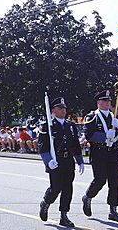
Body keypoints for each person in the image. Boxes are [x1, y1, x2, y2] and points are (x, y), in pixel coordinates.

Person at [82, 90, 118, 222]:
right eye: (105, 101)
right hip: (99, 152)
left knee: (114, 182)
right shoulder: (92, 117)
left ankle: (113, 210)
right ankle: (88, 196)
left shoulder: (115, 117)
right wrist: (104, 136)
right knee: (100, 180)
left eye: (109, 101)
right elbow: (88, 135)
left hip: (113, 153)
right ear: (98, 103)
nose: (108, 103)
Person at [38, 97, 84, 227]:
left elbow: (75, 144)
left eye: (64, 108)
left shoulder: (70, 126)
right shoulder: (47, 126)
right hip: (55, 161)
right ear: (53, 110)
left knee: (68, 188)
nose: (63, 110)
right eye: (60, 108)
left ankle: (64, 215)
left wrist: (79, 160)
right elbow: (42, 147)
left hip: (68, 160)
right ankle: (46, 202)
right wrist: (48, 161)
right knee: (56, 187)